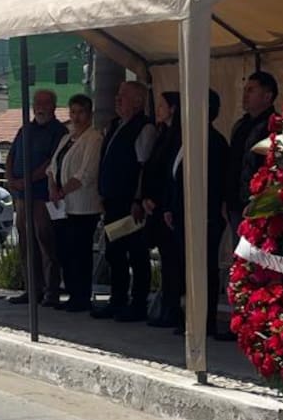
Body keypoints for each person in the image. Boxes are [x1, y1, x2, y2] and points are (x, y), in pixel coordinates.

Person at [163, 91, 231, 340]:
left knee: (204, 269)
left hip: (205, 216)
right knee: (186, 268)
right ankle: (188, 317)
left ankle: (205, 320)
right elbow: (175, 176)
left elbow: (213, 183)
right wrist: (170, 207)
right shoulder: (186, 139)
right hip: (181, 213)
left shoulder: (214, 141)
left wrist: (208, 213)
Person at [93, 80, 156, 321]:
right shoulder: (116, 125)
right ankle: (117, 299)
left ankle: (138, 303)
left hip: (129, 202)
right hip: (112, 200)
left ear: (138, 101)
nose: (117, 99)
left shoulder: (144, 128)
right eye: (118, 95)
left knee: (136, 253)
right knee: (114, 252)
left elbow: (143, 167)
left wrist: (138, 199)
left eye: (124, 96)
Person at [5, 90, 66, 308]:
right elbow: (11, 155)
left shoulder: (58, 131)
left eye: (44, 103)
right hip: (22, 196)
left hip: (42, 195)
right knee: (25, 242)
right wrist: (11, 178)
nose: (39, 107)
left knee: (45, 241)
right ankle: (32, 289)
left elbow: (52, 161)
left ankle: (51, 291)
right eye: (36, 103)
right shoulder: (25, 129)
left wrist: (28, 180)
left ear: (53, 106)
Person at [47, 93, 102, 313]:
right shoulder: (67, 138)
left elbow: (86, 173)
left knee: (80, 252)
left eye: (81, 112)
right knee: (64, 251)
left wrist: (62, 191)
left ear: (89, 114)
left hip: (82, 206)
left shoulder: (93, 138)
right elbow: (52, 167)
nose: (76, 117)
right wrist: (53, 187)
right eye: (73, 112)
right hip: (62, 207)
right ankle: (71, 292)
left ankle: (81, 296)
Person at [142, 91, 183, 329]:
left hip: (167, 205)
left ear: (173, 109)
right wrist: (145, 197)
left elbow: (171, 175)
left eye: (162, 105)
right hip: (154, 205)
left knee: (172, 260)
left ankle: (172, 308)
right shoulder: (162, 134)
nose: (158, 110)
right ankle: (167, 306)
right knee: (166, 260)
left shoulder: (177, 137)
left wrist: (161, 201)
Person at [225, 69, 278, 238]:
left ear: (267, 96)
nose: (245, 95)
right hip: (235, 202)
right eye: (245, 90)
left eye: (251, 90)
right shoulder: (240, 125)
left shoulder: (275, 125)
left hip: (260, 204)